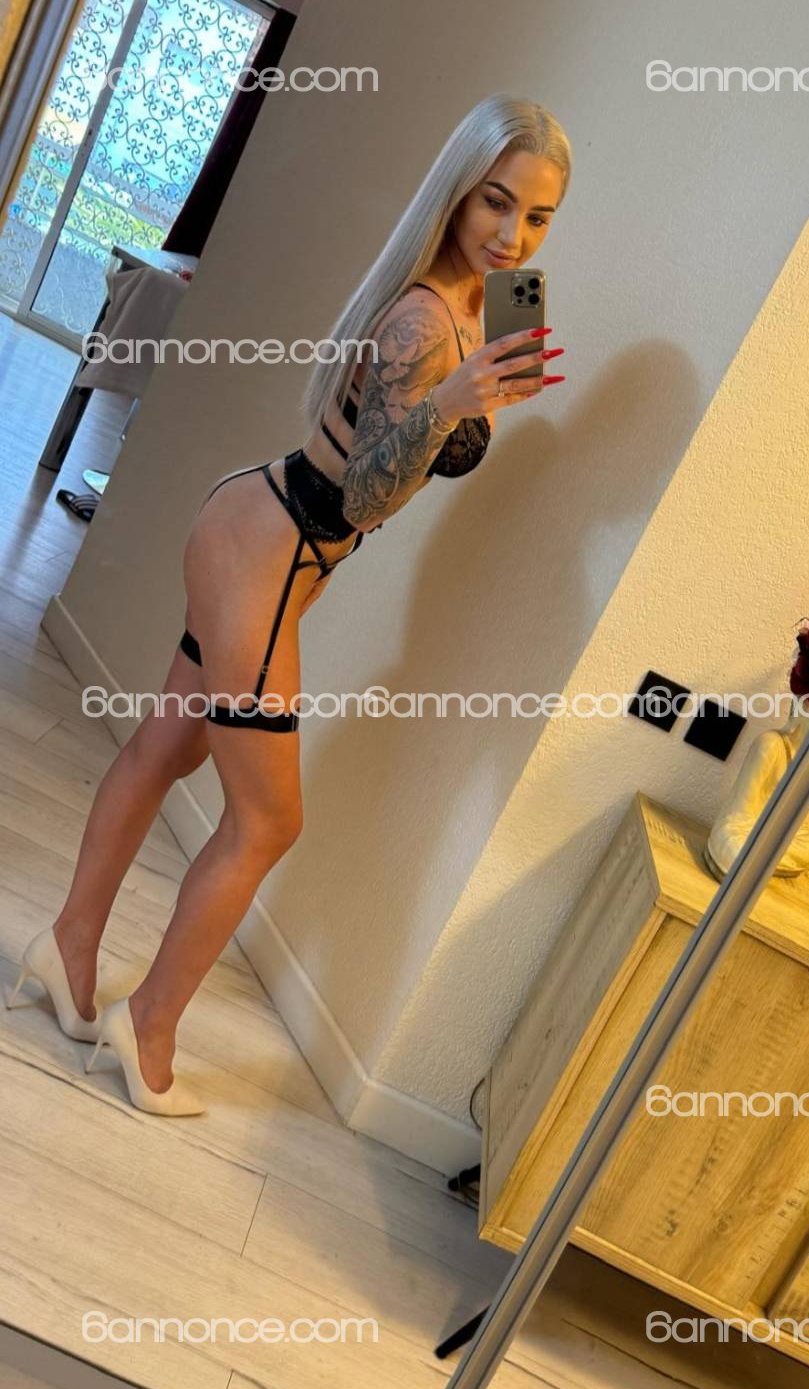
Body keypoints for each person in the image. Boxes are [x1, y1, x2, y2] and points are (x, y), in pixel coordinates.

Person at [6, 94, 570, 1114]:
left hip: (257, 532)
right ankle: (149, 1026)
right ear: (457, 191)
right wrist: (453, 403)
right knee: (269, 821)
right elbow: (365, 494)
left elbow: (401, 460)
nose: (512, 236)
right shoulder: (421, 321)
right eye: (496, 202)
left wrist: (484, 397)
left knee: (166, 746)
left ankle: (69, 949)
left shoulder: (467, 309)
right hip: (272, 551)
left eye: (537, 217)